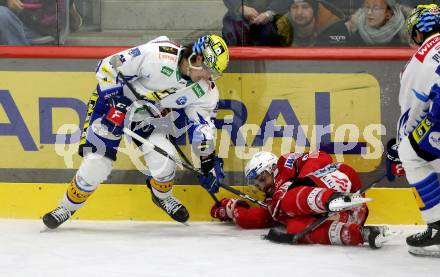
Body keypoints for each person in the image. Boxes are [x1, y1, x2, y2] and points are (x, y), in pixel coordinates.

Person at [42, 34, 229, 228]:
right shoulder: (157, 55)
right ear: (197, 59)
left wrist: (207, 162)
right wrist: (116, 100)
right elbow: (107, 66)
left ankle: (161, 197)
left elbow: (202, 125)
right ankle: (65, 207)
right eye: (210, 70)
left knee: (165, 160)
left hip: (145, 115)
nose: (209, 77)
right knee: (97, 164)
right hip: (111, 104)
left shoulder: (205, 90)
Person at [211, 151, 395, 248]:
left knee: (288, 199)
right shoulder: (275, 199)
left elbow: (321, 157)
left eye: (262, 179)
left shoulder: (286, 163)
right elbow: (255, 218)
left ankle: (332, 199)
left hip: (339, 179)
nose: (261, 187)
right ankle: (361, 234)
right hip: (352, 213)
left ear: (273, 167)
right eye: (256, 185)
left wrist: (300, 182)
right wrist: (228, 208)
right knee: (295, 228)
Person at [386, 4, 440, 257]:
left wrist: (400, 145)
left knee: (410, 152)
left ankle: (438, 228)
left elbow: (412, 112)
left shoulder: (419, 60)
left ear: (418, 33)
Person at [0, 0, 82, 45]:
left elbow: (48, 16)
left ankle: (19, 61)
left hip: (42, 28)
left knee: (2, 14)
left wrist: (22, 10)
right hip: (18, 22)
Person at [274, 0, 350, 47]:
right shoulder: (280, 29)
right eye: (294, 7)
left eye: (305, 7)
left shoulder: (335, 28)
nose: (299, 12)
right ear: (289, 11)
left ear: (315, 10)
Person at [345, 0, 412, 46]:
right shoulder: (353, 31)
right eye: (367, 7)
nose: (369, 12)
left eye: (376, 8)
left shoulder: (409, 36)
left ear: (389, 13)